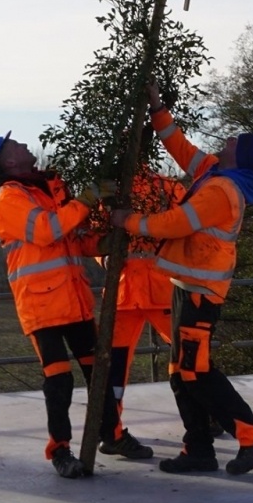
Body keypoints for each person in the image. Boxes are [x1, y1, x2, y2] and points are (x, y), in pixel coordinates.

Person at [111, 90, 253, 476]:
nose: (227, 140)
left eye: (233, 141)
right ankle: (198, 448)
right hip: (186, 288)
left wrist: (129, 221)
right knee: (180, 372)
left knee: (196, 371)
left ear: (241, 155)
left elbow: (177, 223)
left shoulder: (222, 190)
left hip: (200, 294)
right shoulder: (217, 172)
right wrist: (156, 107)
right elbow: (181, 148)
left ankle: (252, 435)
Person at [0, 131, 145, 478]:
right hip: (41, 307)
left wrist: (106, 240)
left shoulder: (48, 188)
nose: (23, 144)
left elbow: (74, 239)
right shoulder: (10, 197)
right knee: (59, 380)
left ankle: (112, 436)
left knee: (99, 370)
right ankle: (60, 450)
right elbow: (47, 230)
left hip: (74, 300)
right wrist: (89, 197)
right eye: (15, 144)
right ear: (8, 161)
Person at [106, 164, 186, 456]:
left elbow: (185, 228)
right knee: (187, 354)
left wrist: (108, 261)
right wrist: (107, 260)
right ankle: (111, 430)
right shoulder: (167, 187)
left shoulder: (114, 190)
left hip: (143, 290)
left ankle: (110, 432)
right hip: (139, 291)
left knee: (185, 355)